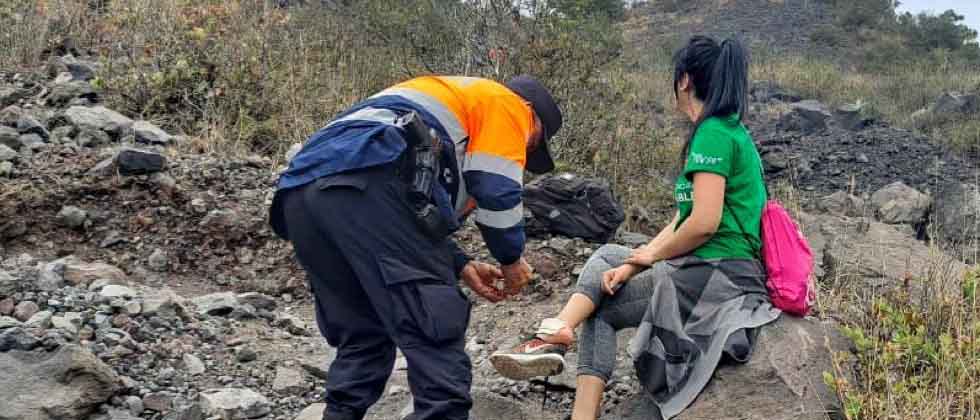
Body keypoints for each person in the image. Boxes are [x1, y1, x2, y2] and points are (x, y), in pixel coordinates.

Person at [489, 36, 780, 420]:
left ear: (684, 81)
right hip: (712, 270)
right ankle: (556, 337)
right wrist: (635, 262)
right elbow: (682, 218)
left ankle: (555, 345)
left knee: (602, 307)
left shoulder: (714, 133)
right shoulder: (730, 130)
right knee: (611, 261)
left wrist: (651, 255)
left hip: (716, 280)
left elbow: (704, 223)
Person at [268, 75, 562, 420]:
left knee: (362, 334)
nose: (524, 154)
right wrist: (511, 258)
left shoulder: (438, 96)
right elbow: (495, 188)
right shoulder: (508, 104)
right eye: (533, 145)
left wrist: (459, 262)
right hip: (372, 183)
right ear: (534, 118)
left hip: (301, 195)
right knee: (434, 329)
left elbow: (411, 207)